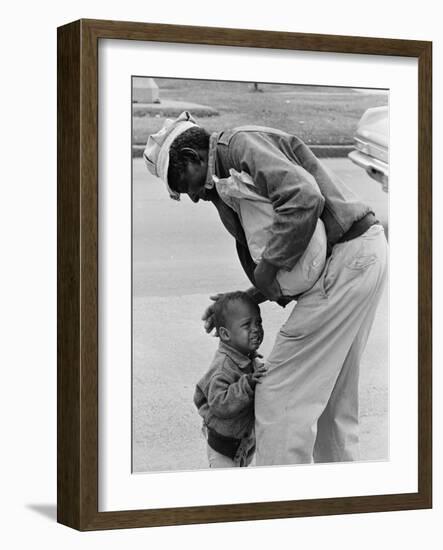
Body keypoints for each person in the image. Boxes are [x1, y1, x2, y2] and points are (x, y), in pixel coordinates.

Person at [144, 111, 388, 465]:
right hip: (361, 256)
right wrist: (247, 297)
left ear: (193, 158)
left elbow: (302, 198)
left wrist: (267, 269)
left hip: (346, 264)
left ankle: (279, 506)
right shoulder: (225, 171)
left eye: (186, 186)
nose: (193, 197)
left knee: (279, 397)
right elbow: (289, 260)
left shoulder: (239, 145)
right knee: (332, 403)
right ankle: (340, 501)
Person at [193, 292, 267, 468]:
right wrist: (247, 384)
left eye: (258, 323)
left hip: (242, 442)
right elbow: (220, 403)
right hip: (223, 447)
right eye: (247, 325)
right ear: (226, 335)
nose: (256, 329)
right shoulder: (223, 367)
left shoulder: (244, 356)